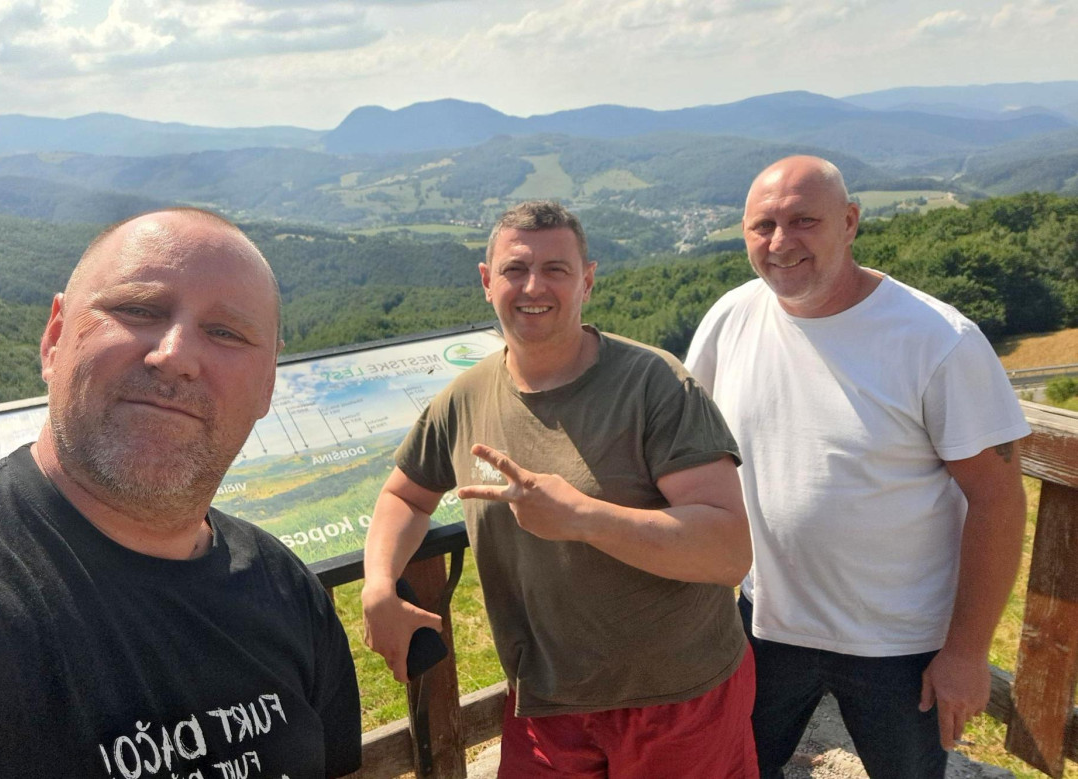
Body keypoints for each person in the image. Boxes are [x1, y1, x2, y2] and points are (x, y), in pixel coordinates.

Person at [0, 209, 362, 778]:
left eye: (225, 333)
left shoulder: (288, 591)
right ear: (54, 339)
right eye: (138, 310)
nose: (175, 355)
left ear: (268, 383)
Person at [362, 200, 757, 777]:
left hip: (678, 697)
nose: (533, 286)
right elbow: (405, 495)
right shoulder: (465, 399)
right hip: (544, 702)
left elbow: (728, 551)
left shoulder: (656, 385)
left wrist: (583, 518)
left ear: (587, 281)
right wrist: (378, 585)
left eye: (556, 269)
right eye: (515, 269)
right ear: (486, 281)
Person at [685, 156, 1030, 779]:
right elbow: (691, 448)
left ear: (849, 222)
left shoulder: (936, 340)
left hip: (900, 645)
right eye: (763, 225)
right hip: (764, 621)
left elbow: (998, 500)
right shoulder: (731, 317)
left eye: (804, 221)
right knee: (736, 769)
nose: (780, 242)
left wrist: (966, 652)